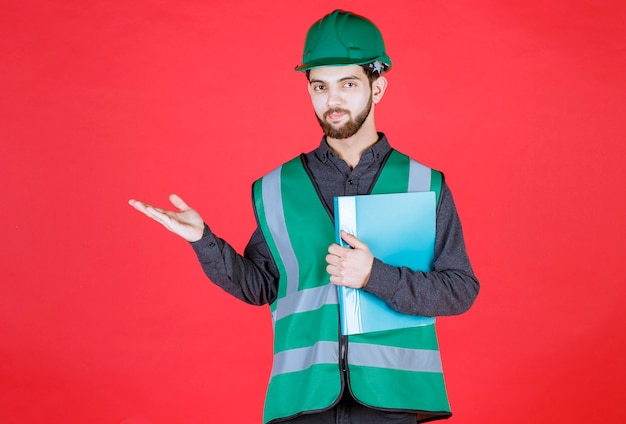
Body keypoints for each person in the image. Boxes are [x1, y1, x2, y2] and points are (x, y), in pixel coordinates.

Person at [129, 9, 479, 424]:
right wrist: (202, 239)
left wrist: (374, 276)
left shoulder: (424, 184)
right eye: (319, 86)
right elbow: (261, 287)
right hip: (303, 400)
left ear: (378, 86)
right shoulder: (277, 188)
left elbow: (459, 290)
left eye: (347, 84)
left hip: (393, 401)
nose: (332, 100)